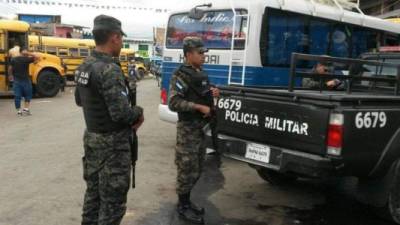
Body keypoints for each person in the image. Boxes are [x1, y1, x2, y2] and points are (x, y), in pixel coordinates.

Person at [74, 15, 144, 225]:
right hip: (112, 148)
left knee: (93, 198)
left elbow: (80, 100)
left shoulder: (84, 65)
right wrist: (138, 111)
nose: (122, 43)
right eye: (121, 38)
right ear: (114, 37)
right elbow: (121, 114)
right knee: (112, 206)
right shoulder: (109, 69)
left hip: (92, 140)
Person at [168, 36, 220, 224]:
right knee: (186, 169)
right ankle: (182, 206)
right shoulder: (180, 74)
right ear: (189, 54)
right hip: (188, 130)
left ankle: (187, 202)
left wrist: (212, 92)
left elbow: (201, 94)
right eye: (200, 53)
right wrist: (198, 107)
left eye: (204, 52)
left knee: (197, 168)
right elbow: (173, 102)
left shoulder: (199, 72)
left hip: (200, 128)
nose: (204, 56)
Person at [8, 48, 39, 116]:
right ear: (23, 52)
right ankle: (26, 109)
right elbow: (37, 57)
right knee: (28, 94)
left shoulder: (14, 59)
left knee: (17, 96)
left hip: (17, 80)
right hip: (25, 80)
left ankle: (19, 111)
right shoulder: (26, 59)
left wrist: (10, 76)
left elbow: (10, 68)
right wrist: (29, 53)